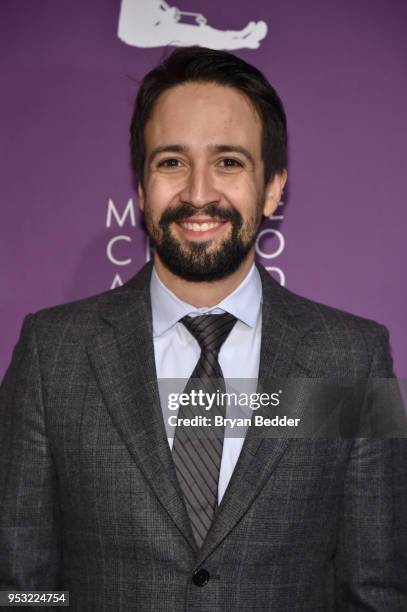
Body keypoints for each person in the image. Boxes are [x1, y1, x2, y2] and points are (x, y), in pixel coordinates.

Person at [0, 46, 406, 611]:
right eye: (171, 161)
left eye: (229, 162)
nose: (197, 192)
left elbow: (376, 591)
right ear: (141, 189)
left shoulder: (354, 358)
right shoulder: (53, 355)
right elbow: (21, 587)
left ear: (272, 189)